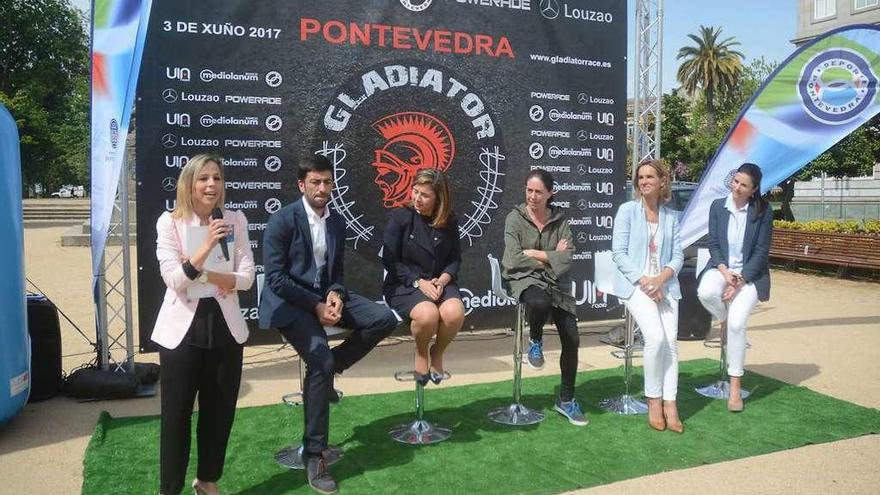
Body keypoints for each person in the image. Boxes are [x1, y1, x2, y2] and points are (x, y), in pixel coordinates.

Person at [259, 155, 398, 495]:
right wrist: (317, 305)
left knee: (383, 318)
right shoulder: (282, 220)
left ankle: (328, 372)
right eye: (315, 182)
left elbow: (335, 273)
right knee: (318, 360)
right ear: (301, 184)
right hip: (290, 303)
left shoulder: (336, 223)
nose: (322, 189)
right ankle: (316, 454)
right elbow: (275, 279)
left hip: (323, 296)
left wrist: (334, 295)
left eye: (327, 182)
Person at [151, 154, 255, 495]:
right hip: (183, 332)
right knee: (176, 416)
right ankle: (170, 489)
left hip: (225, 328)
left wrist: (209, 273)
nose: (211, 185)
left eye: (217, 178)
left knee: (219, 411)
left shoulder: (236, 220)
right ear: (189, 183)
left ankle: (207, 479)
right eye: (203, 178)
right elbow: (175, 281)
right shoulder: (169, 223)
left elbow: (248, 278)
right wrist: (208, 243)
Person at [502, 169, 587, 426]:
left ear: (551, 193)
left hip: (558, 284)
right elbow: (513, 259)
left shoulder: (561, 221)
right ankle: (535, 339)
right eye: (529, 190)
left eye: (539, 191)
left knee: (572, 338)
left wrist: (537, 254)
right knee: (539, 302)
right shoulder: (514, 218)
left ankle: (566, 400)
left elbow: (568, 258)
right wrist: (551, 256)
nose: (533, 196)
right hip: (525, 279)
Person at [611, 159, 685, 433]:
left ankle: (671, 403)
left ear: (662, 181)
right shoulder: (627, 211)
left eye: (649, 177)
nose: (643, 181)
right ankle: (654, 401)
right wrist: (646, 282)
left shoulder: (671, 216)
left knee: (671, 344)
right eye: (640, 177)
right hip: (636, 286)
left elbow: (678, 254)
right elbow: (618, 253)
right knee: (655, 338)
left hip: (665, 285)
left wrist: (662, 279)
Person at [697, 162, 773, 413]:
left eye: (744, 185)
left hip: (751, 275)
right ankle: (725, 321)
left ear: (754, 189)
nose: (737, 187)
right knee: (706, 292)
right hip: (722, 269)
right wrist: (724, 272)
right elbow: (714, 243)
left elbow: (761, 252)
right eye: (736, 181)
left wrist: (740, 281)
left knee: (739, 323)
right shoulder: (718, 206)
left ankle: (734, 387)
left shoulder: (763, 211)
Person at [382, 169, 464, 385]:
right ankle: (421, 352)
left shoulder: (449, 220)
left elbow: (455, 259)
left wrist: (444, 279)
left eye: (424, 195)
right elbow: (390, 262)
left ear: (438, 197)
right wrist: (419, 283)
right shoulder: (400, 217)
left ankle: (437, 351)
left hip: (440, 283)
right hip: (405, 284)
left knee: (454, 313)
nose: (417, 198)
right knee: (428, 315)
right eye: (415, 191)